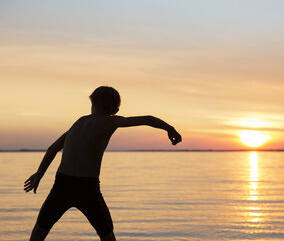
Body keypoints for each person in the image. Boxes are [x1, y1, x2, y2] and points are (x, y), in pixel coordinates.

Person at [24, 86, 182, 241]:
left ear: (93, 102)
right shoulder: (111, 121)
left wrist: (39, 174)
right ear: (115, 109)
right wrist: (170, 128)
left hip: (62, 184)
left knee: (40, 230)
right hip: (87, 188)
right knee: (106, 234)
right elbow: (148, 119)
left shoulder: (79, 122)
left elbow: (52, 149)